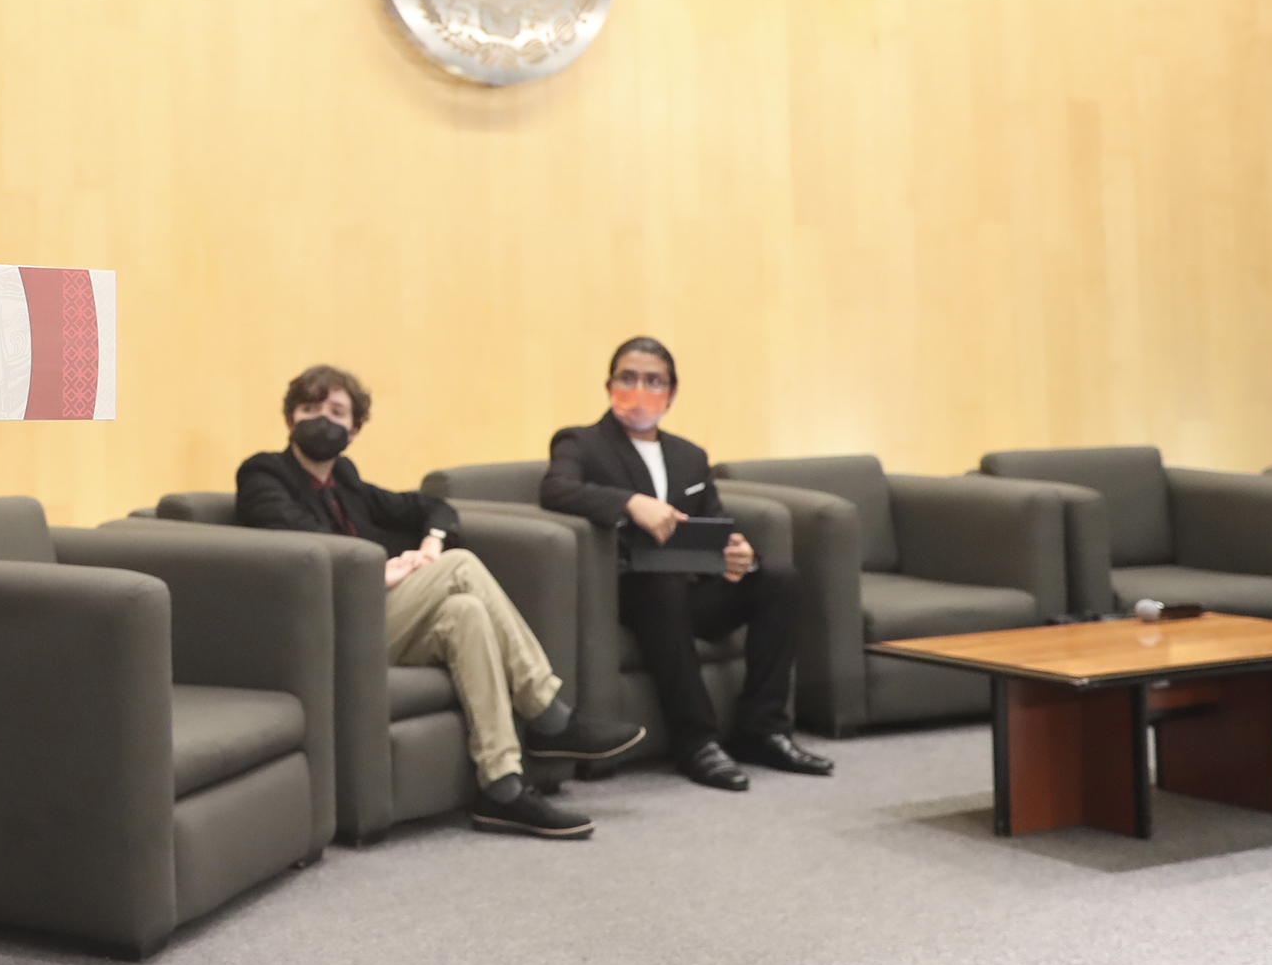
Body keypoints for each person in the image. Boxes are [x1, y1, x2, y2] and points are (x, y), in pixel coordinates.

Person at [237, 365, 644, 839]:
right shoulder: (264, 473)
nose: (321, 420)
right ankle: (547, 713)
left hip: (372, 619)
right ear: (290, 419)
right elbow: (295, 540)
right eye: (309, 409)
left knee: (465, 612)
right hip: (328, 629)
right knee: (460, 566)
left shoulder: (344, 480)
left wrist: (430, 543)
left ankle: (502, 788)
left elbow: (430, 506)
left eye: (336, 412)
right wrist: (383, 572)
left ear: (354, 429)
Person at [540, 337, 832, 792]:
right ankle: (696, 742)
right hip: (631, 590)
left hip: (691, 588)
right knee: (661, 585)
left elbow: (713, 522)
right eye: (627, 378)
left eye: (653, 381)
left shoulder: (689, 456)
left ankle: (764, 729)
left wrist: (736, 554)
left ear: (671, 393)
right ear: (609, 385)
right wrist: (631, 503)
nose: (640, 389)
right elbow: (557, 490)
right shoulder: (581, 442)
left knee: (778, 578)